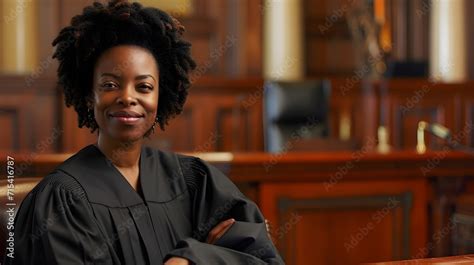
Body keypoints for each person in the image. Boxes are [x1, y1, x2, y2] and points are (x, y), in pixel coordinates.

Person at [4, 1, 284, 264]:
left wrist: (192, 259)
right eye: (110, 85)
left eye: (144, 86)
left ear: (160, 97)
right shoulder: (61, 200)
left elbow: (260, 254)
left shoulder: (194, 181)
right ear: (90, 96)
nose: (128, 97)